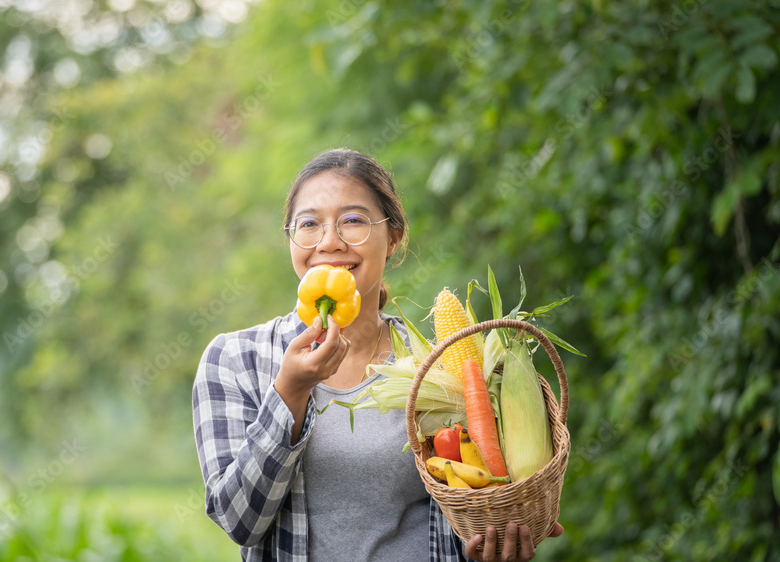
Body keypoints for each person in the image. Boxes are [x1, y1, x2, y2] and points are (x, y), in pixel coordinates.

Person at [192, 148, 562, 561]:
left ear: (394, 238)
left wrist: (488, 545)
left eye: (353, 220)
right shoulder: (235, 359)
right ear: (291, 240)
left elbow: (470, 502)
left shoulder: (437, 367)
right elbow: (239, 521)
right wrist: (289, 393)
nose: (329, 241)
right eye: (309, 224)